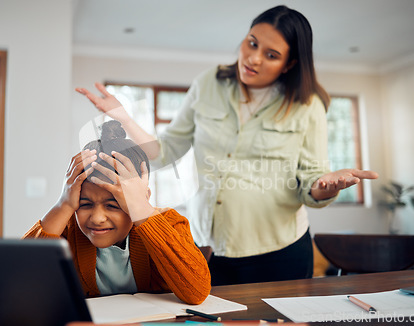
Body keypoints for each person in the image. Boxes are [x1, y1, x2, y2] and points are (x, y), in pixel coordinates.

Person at [75, 5, 378, 286]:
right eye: (252, 42)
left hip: (279, 251)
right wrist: (122, 117)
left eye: (272, 55)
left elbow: (311, 181)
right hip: (210, 250)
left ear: (290, 64)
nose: (253, 58)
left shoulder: (307, 105)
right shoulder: (209, 83)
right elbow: (165, 151)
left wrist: (325, 187)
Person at [23, 120, 211, 304]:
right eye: (85, 204)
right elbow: (18, 278)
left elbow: (197, 292)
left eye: (113, 205)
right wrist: (62, 205)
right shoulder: (66, 231)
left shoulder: (170, 223)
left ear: (142, 198)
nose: (97, 219)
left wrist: (140, 207)